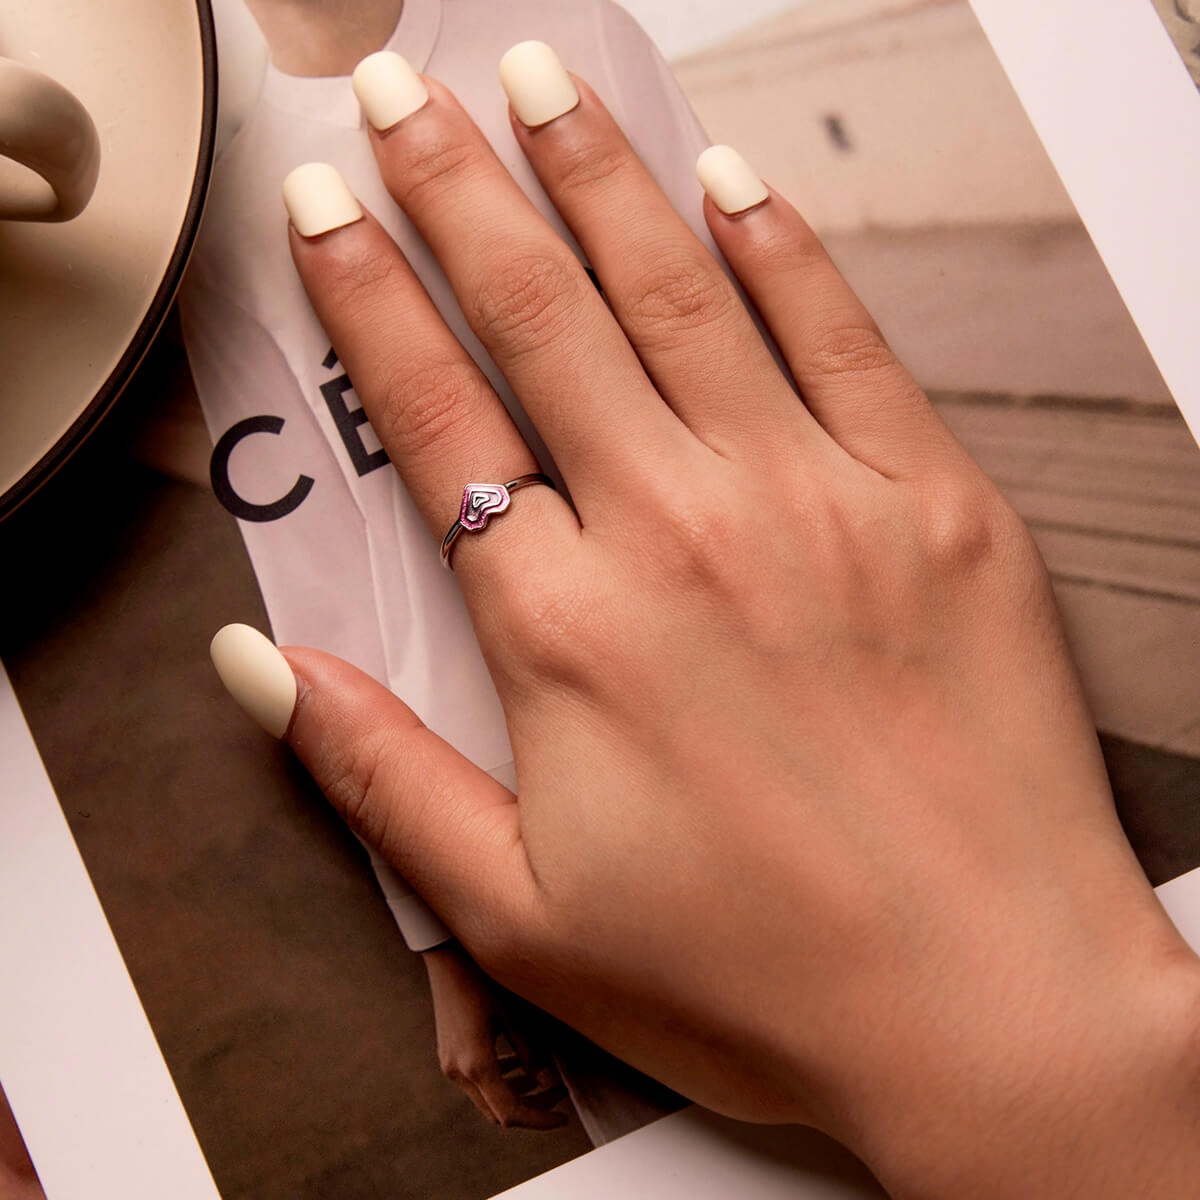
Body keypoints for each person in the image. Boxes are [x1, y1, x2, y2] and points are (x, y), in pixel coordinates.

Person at [210, 39, 1200, 1198]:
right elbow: (316, 530)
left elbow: (695, 289)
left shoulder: (576, 29)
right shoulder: (220, 170)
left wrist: (1032, 1069)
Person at [183, 0, 705, 1139]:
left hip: (747, 669)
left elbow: (729, 343)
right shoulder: (210, 186)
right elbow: (323, 572)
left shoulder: (569, 28)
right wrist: (439, 935)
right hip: (514, 779)